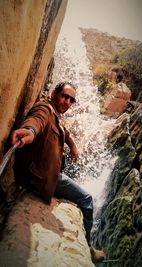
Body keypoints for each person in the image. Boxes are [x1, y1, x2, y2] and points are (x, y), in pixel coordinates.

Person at [11, 81, 105, 263]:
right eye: (65, 96)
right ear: (54, 93)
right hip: (45, 177)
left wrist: (73, 146)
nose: (67, 102)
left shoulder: (56, 113)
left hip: (48, 171)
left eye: (71, 100)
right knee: (87, 200)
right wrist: (29, 131)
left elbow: (64, 131)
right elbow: (36, 121)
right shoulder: (45, 109)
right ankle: (88, 247)